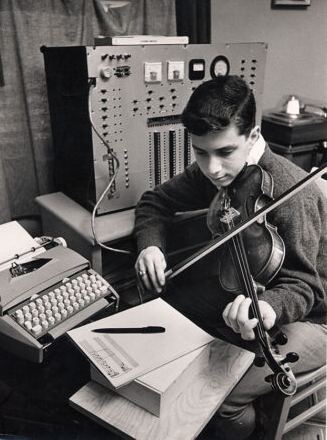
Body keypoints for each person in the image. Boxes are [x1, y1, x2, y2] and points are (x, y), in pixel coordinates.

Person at [133, 75, 327, 439]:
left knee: (221, 399)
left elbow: (306, 287)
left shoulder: (291, 192)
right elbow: (155, 202)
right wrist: (151, 245)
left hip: (314, 316)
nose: (212, 168)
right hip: (242, 288)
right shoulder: (216, 172)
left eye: (224, 152)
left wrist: (268, 307)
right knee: (164, 321)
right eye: (200, 152)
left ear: (252, 137)